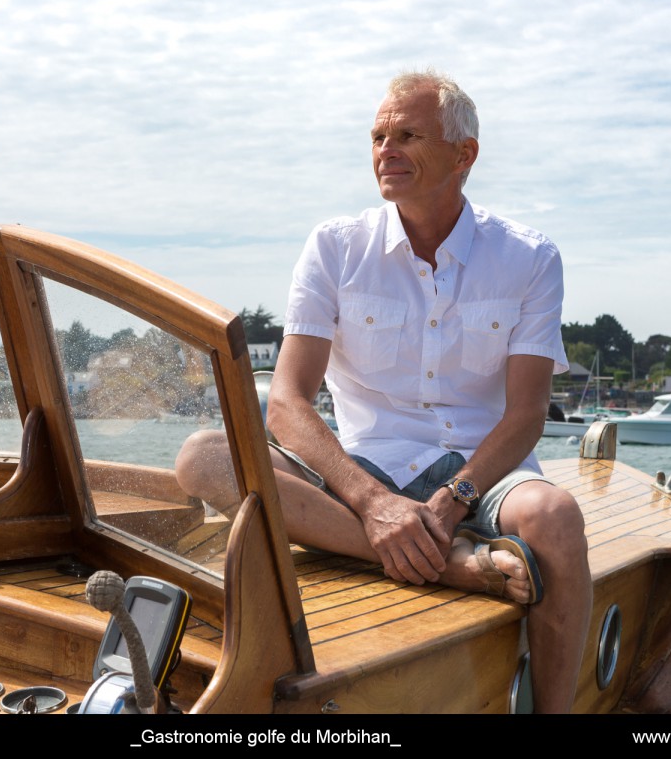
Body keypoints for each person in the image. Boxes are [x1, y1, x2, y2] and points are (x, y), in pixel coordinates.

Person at [177, 70, 590, 713]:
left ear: (465, 155)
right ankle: (454, 566)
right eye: (377, 136)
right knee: (203, 458)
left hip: (481, 473)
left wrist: (451, 505)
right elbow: (287, 403)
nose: (384, 151)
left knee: (556, 518)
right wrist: (373, 503)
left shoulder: (531, 258)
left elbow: (527, 414)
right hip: (365, 467)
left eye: (407, 135)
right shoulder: (336, 247)